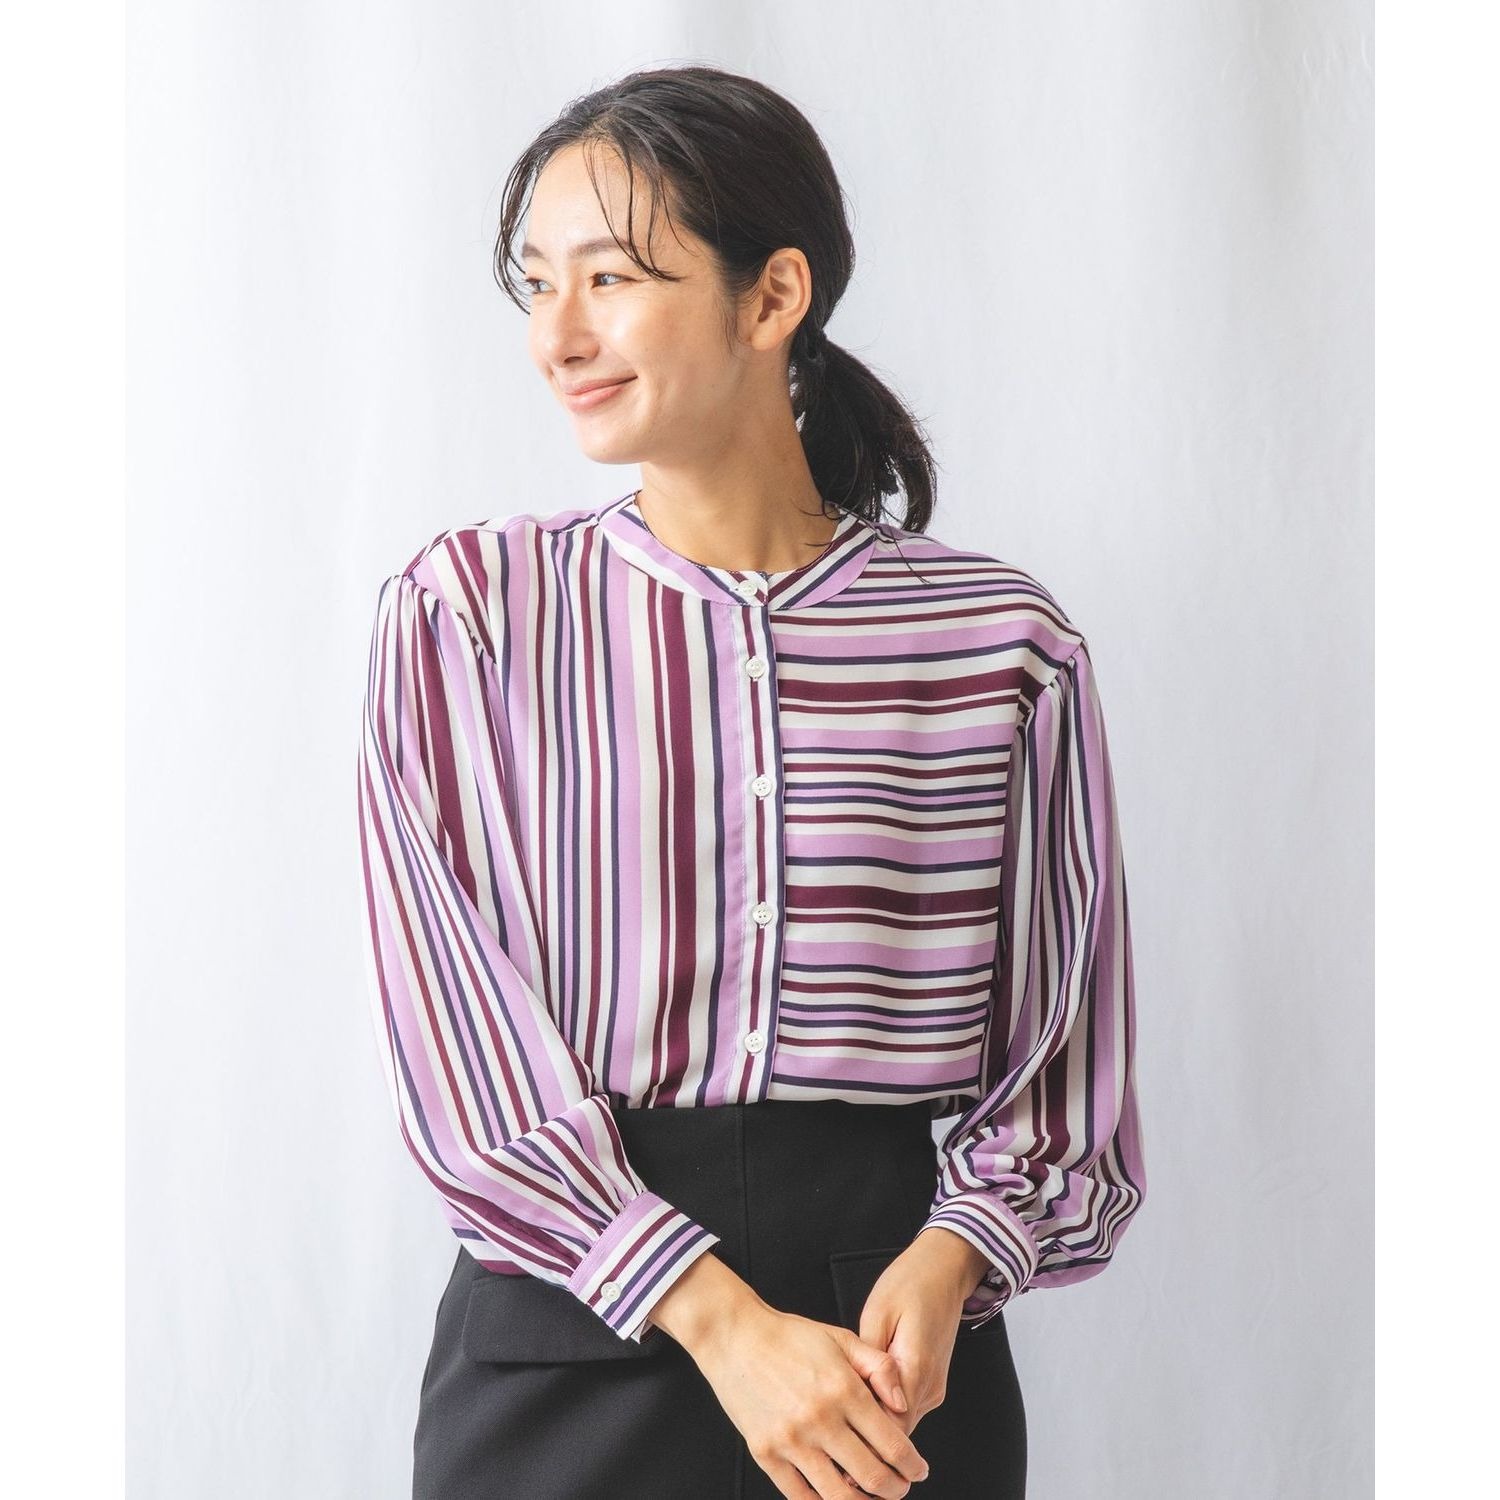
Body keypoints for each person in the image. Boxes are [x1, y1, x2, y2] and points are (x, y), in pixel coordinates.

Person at [355, 63, 1146, 1500]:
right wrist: (719, 1321)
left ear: (772, 295)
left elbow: (1063, 1051)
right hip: (570, 1336)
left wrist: (956, 1252)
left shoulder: (999, 645)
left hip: (891, 1353)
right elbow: (459, 1050)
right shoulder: (471, 614)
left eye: (609, 277)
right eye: (537, 284)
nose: (557, 334)